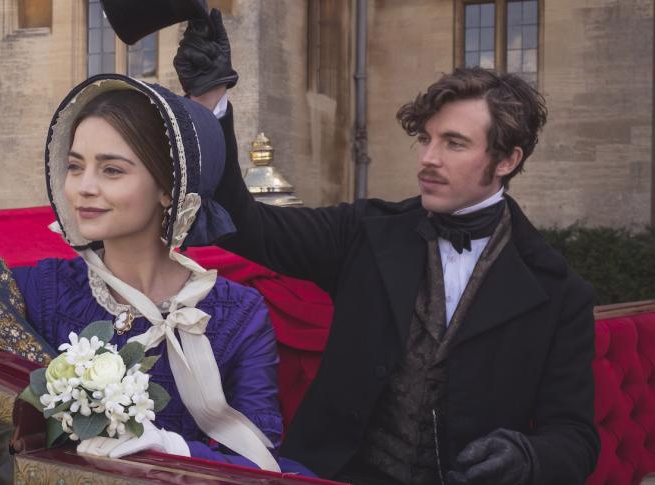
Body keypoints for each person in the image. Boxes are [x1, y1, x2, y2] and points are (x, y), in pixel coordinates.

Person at [173, 10, 598, 485]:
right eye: (425, 139)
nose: (428, 158)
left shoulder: (558, 291)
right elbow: (246, 227)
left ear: (507, 160)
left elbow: (576, 437)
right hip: (335, 475)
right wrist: (210, 102)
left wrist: (527, 457)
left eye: (454, 143)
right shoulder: (366, 230)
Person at [0, 75, 312, 474]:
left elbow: (258, 458)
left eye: (113, 170)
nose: (84, 188)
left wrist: (169, 446)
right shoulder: (46, 288)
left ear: (170, 188)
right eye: (75, 165)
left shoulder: (237, 312)